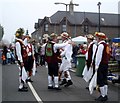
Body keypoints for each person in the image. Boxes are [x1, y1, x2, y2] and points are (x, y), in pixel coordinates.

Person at [94, 32, 109, 101]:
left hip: (101, 64)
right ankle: (105, 95)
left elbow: (98, 57)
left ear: (99, 38)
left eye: (97, 38)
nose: (96, 39)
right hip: (105, 64)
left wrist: (96, 65)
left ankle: (102, 95)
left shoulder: (100, 46)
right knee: (105, 80)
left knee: (100, 80)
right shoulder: (106, 45)